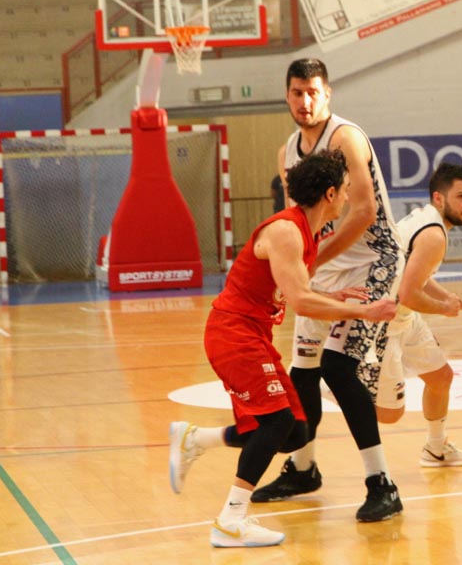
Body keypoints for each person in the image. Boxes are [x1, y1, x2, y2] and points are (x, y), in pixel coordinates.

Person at [167, 150, 397, 547]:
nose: (347, 196)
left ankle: (197, 440)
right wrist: (364, 310)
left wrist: (333, 295)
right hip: (233, 333)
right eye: (344, 190)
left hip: (253, 334)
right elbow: (303, 303)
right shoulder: (287, 231)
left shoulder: (308, 233)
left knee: (294, 433)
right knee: (276, 424)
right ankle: (230, 520)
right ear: (330, 194)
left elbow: (296, 289)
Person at [252, 58, 405, 523]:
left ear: (327, 94)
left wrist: (312, 260)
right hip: (324, 266)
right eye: (297, 92)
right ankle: (303, 469)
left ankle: (382, 483)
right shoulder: (287, 151)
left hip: (372, 262)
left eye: (313, 92)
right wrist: (293, 267)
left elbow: (364, 211)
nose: (305, 101)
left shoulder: (345, 138)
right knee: (302, 372)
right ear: (287, 95)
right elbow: (294, 223)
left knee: (339, 369)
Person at [376, 162, 462, 466]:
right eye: (461, 196)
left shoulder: (427, 220)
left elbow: (419, 277)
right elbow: (409, 294)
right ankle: (321, 384)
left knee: (440, 377)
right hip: (383, 323)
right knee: (389, 414)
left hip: (402, 317)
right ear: (438, 198)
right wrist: (444, 309)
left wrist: (459, 302)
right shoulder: (434, 236)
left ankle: (436, 449)